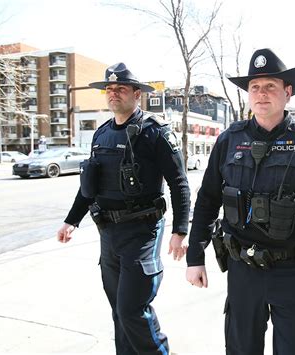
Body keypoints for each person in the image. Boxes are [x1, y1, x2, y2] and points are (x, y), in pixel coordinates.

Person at [186, 48, 295, 355]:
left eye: (270, 86)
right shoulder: (228, 140)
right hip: (243, 273)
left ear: (287, 92)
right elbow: (207, 200)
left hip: (293, 274)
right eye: (255, 87)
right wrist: (195, 256)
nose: (261, 94)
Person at [58, 62, 190, 355]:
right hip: (108, 233)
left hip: (141, 232)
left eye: (121, 88)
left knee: (132, 309)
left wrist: (180, 231)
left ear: (137, 95)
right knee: (119, 312)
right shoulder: (102, 134)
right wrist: (71, 221)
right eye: (109, 88)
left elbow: (179, 183)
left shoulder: (155, 133)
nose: (113, 93)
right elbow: (88, 186)